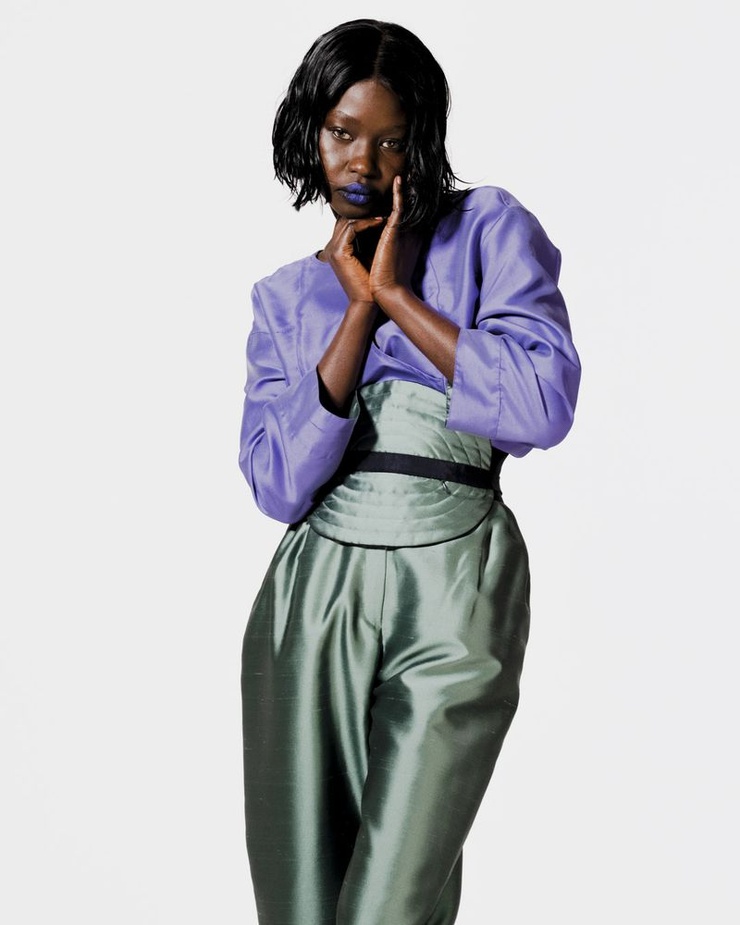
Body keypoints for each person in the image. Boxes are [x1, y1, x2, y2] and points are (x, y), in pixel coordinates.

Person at [238, 18, 580, 925]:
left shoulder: (488, 230)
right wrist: (356, 313)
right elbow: (277, 485)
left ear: (421, 142)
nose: (364, 162)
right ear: (310, 131)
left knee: (389, 904)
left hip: (456, 572)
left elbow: (542, 404)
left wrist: (395, 295)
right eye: (343, 132)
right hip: (314, 590)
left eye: (392, 140)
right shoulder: (285, 298)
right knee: (301, 905)